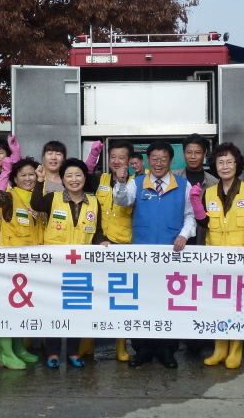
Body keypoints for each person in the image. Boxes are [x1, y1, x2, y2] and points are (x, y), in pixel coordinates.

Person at [113, 140, 196, 368]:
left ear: (171, 161)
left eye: (163, 159)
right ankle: (142, 350)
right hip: (142, 255)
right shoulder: (136, 182)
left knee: (168, 303)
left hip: (172, 255)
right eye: (154, 159)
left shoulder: (183, 185)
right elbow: (122, 200)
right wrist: (120, 182)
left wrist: (184, 235)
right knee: (141, 302)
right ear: (147, 160)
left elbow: (190, 215)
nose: (159, 163)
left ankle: (167, 351)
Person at [32, 157, 110, 367]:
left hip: (80, 266)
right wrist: (40, 181)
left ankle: (74, 352)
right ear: (63, 179)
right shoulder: (53, 198)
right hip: (54, 266)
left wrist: (102, 241)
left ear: (84, 178)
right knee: (54, 308)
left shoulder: (94, 202)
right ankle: (53, 353)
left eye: (78, 175)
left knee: (76, 309)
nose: (74, 179)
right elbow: (35, 204)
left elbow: (97, 231)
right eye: (69, 175)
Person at [191, 142, 244, 369]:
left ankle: (235, 349)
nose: (225, 166)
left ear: (237, 165)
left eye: (229, 162)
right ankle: (219, 349)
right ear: (215, 166)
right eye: (220, 162)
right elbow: (203, 223)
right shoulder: (209, 192)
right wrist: (196, 203)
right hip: (215, 258)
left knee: (238, 306)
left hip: (240, 258)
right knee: (218, 305)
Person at [85, 139, 136, 362]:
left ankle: (121, 346)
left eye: (121, 157)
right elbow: (81, 177)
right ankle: (87, 345)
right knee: (92, 296)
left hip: (123, 247)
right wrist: (92, 155)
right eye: (112, 156)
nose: (116, 161)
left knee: (121, 299)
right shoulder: (100, 179)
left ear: (129, 160)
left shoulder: (136, 183)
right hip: (98, 244)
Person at [0, 156, 42, 369]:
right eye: (23, 175)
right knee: (7, 308)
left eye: (32, 174)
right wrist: (5, 171)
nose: (28, 178)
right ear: (15, 178)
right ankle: (4, 353)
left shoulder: (40, 197)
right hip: (11, 262)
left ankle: (19, 347)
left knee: (24, 307)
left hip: (33, 262)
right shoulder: (10, 197)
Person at [172, 133, 219, 246]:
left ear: (205, 154)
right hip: (176, 239)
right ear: (183, 154)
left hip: (203, 241)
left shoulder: (214, 183)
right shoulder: (173, 179)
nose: (193, 156)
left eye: (197, 152)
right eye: (189, 152)